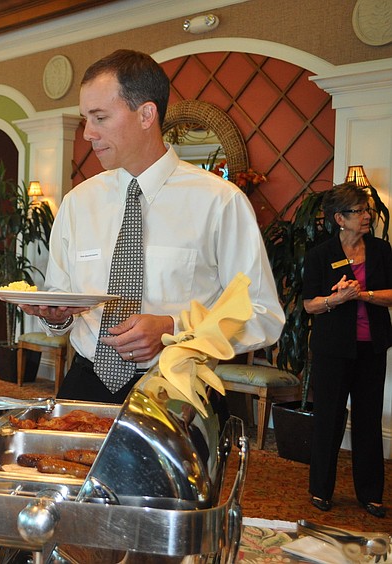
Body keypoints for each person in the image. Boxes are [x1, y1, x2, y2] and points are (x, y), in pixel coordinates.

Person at [21, 49, 284, 404]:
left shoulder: (219, 202)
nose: (87, 134)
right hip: (86, 381)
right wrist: (55, 316)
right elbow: (62, 297)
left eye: (99, 118)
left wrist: (175, 328)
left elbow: (262, 314)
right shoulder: (78, 203)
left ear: (146, 114)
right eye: (86, 119)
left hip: (177, 389)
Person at [302, 183, 390, 518]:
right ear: (340, 218)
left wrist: (362, 295)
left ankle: (370, 494)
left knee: (369, 420)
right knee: (329, 419)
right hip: (333, 350)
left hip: (372, 348)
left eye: (367, 210)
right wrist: (335, 299)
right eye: (359, 211)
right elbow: (310, 305)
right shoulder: (320, 256)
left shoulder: (381, 251)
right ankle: (321, 490)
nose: (367, 216)